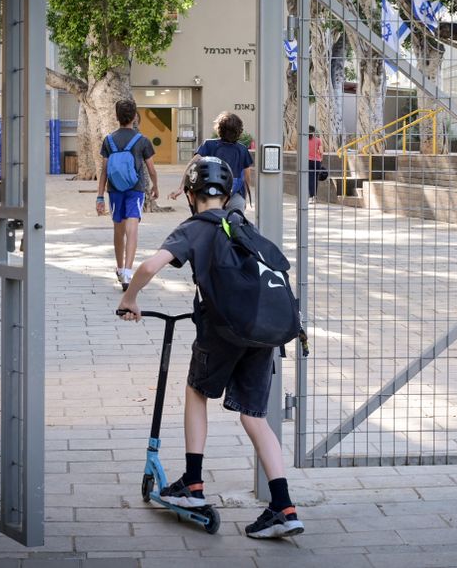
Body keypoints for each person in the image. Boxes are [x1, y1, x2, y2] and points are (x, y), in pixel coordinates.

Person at [117, 157, 305, 539]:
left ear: (190, 194)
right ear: (229, 193)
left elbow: (151, 265)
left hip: (222, 332)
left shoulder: (195, 229)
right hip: (262, 331)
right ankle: (283, 507)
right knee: (254, 416)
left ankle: (193, 483)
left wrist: (131, 298)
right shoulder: (243, 225)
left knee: (197, 391)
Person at [96, 98, 158, 291]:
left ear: (116, 117)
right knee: (133, 229)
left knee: (118, 230)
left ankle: (119, 267)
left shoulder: (109, 140)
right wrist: (156, 186)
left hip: (115, 190)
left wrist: (99, 197)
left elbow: (104, 171)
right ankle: (128, 274)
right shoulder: (142, 140)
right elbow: (151, 169)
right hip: (135, 190)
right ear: (134, 117)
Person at [170, 111, 253, 212]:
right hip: (235, 196)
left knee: (209, 223)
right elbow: (247, 176)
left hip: (212, 195)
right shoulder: (242, 149)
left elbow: (192, 165)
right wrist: (244, 197)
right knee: (235, 223)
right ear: (239, 131)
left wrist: (181, 187)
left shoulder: (209, 145)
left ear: (219, 129)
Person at [308, 126, 324, 203]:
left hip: (308, 161)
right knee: (315, 179)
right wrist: (321, 159)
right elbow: (321, 152)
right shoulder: (318, 140)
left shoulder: (304, 140)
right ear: (314, 132)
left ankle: (311, 197)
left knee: (310, 179)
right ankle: (315, 196)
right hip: (317, 161)